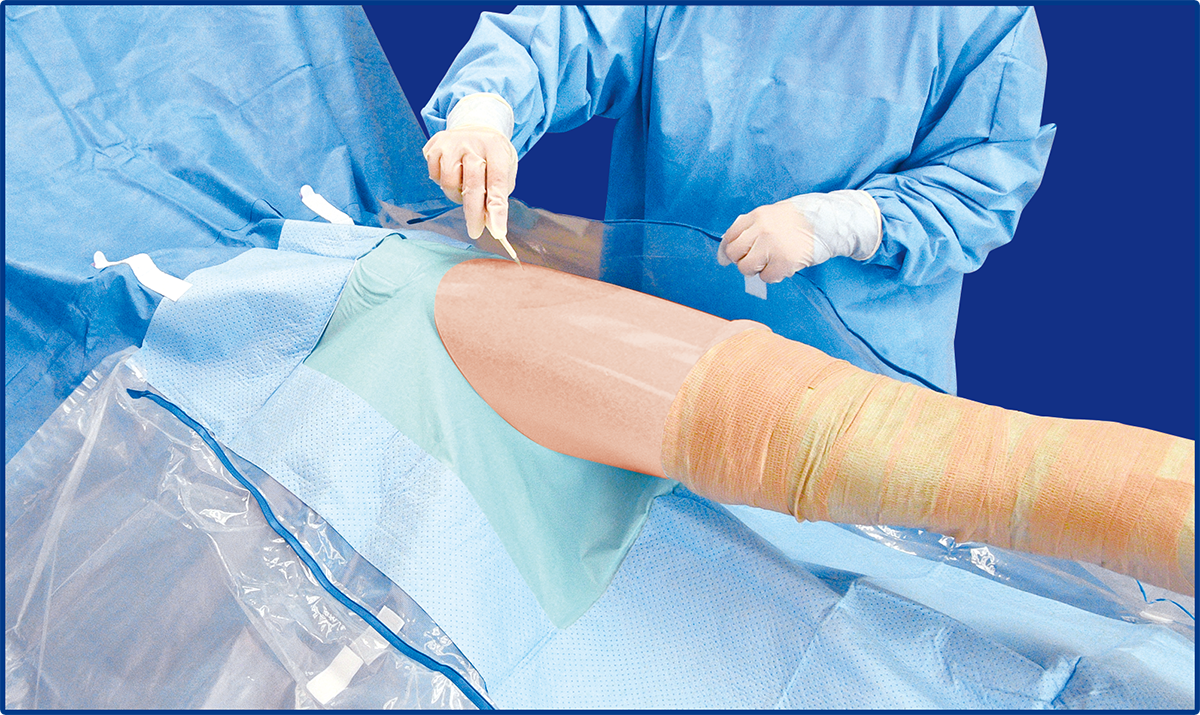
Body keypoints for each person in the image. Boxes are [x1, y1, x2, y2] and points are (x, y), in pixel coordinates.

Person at [422, 7, 1055, 394]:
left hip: (851, 389)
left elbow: (981, 180)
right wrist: (485, 111)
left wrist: (847, 222)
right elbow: (570, 30)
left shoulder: (977, 18)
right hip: (654, 356)